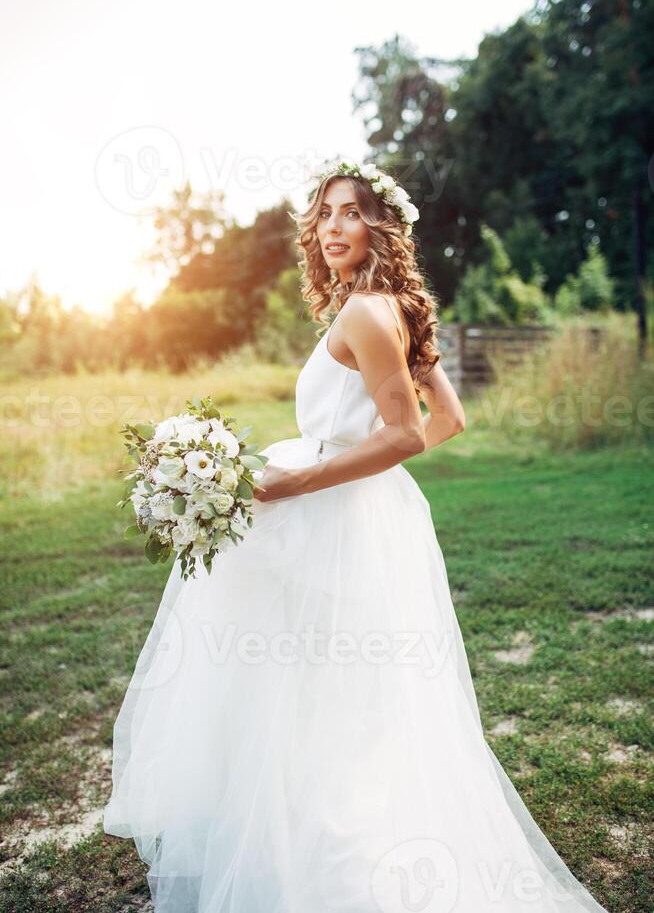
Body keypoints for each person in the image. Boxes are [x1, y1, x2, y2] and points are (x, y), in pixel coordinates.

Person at [103, 162, 609, 913]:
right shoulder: (386, 309)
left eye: (350, 213)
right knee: (330, 690)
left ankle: (330, 853)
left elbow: (407, 434)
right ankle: (311, 824)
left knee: (306, 684)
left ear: (382, 227)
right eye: (325, 214)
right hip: (353, 511)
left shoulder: (369, 315)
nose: (332, 227)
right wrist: (347, 467)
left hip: (328, 517)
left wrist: (302, 480)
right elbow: (449, 421)